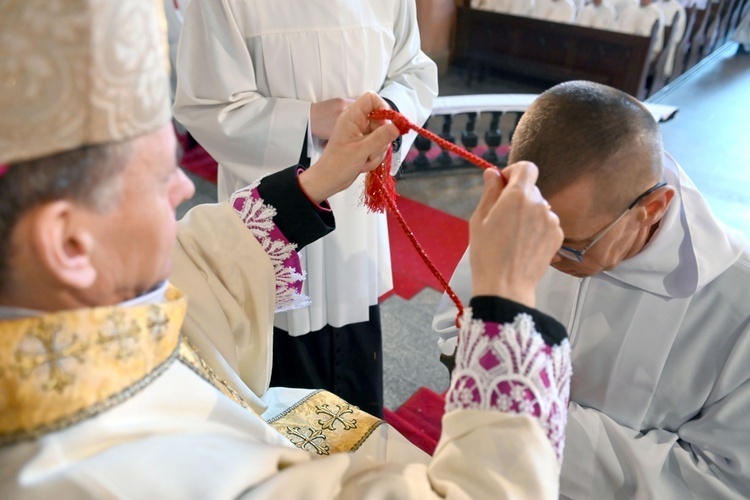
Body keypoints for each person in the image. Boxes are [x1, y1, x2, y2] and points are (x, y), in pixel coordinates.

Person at [0, 0, 571, 497]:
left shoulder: (76, 328)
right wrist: (509, 304)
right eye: (158, 179)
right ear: (69, 243)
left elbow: (203, 264)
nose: (182, 187)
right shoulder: (137, 474)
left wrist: (319, 178)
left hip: (342, 194)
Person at [433, 81, 750, 498]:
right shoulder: (527, 216)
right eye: (536, 232)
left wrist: (521, 409)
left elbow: (719, 476)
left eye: (569, 246)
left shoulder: (734, 297)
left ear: (651, 209)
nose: (542, 257)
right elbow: (453, 325)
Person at [172, 0, 439, 418]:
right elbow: (207, 105)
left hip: (356, 214)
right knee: (281, 378)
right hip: (274, 207)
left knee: (356, 368)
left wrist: (389, 116)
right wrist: (309, 119)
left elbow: (413, 69)